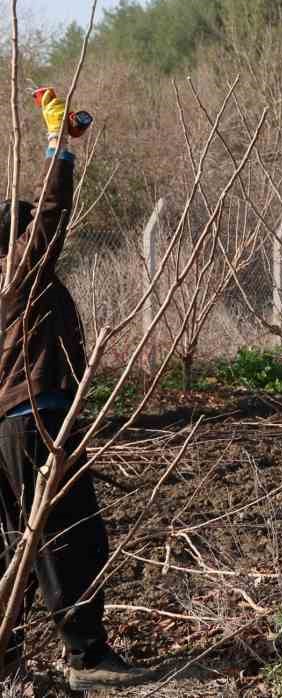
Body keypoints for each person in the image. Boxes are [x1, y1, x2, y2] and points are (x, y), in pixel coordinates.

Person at [0, 89, 145, 688]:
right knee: (68, 534)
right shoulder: (20, 274)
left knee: (17, 542)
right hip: (37, 415)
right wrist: (58, 147)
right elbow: (54, 212)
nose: (44, 234)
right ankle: (87, 656)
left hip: (10, 426)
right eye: (30, 227)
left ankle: (4, 656)